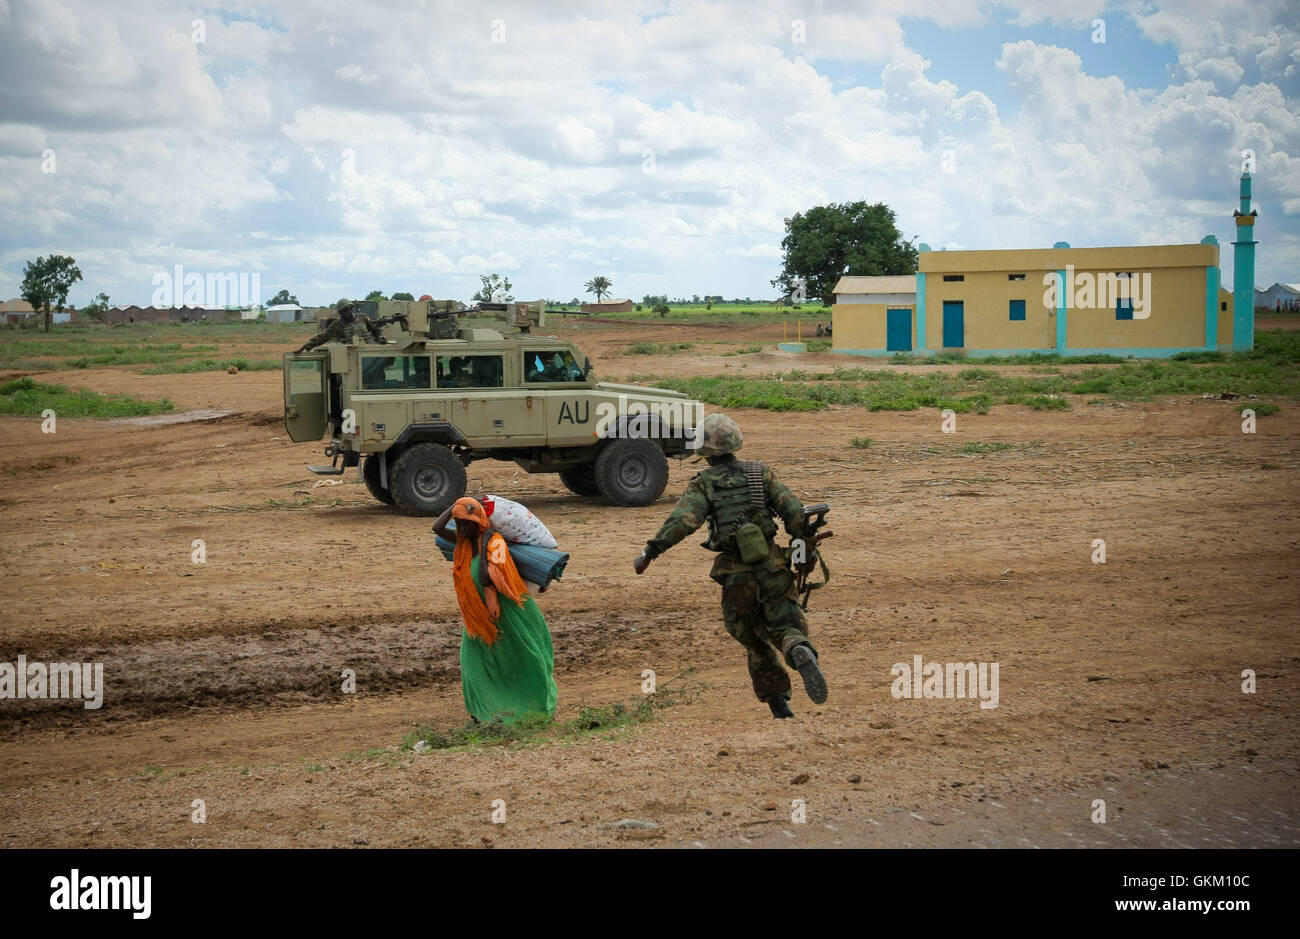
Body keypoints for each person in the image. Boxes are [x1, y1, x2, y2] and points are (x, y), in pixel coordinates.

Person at [632, 413, 827, 719]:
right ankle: (795, 648)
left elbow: (683, 522)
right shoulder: (760, 473)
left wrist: (649, 552)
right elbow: (794, 513)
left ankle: (780, 706)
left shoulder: (704, 484)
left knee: (752, 639)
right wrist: (804, 542)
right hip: (774, 568)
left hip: (737, 577)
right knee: (786, 626)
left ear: (703, 450)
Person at [432, 497, 557, 724]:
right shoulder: (463, 543)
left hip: (507, 613)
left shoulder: (496, 543)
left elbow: (489, 576)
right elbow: (437, 528)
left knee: (525, 657)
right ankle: (483, 713)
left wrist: (484, 541)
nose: (463, 529)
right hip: (478, 616)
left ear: (479, 522)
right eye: (460, 524)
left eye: (468, 523)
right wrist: (456, 504)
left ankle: (534, 709)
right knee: (472, 661)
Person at [296, 302, 377, 353]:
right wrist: (306, 346)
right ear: (340, 313)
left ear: (351, 309)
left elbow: (375, 329)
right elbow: (322, 337)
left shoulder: (363, 318)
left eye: (347, 310)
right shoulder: (337, 325)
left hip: (369, 352)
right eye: (343, 311)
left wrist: (380, 337)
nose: (346, 313)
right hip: (351, 355)